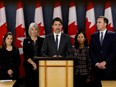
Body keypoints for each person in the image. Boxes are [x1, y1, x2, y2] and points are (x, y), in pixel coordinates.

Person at [89, 16, 116, 87]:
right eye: (97, 22)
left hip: (109, 68)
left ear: (105, 24)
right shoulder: (93, 36)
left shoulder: (113, 35)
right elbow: (91, 51)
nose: (97, 24)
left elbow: (114, 52)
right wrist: (97, 63)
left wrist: (105, 62)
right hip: (96, 69)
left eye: (99, 22)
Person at [23, 22, 44, 87]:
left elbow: (43, 53)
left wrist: (37, 64)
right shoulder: (26, 41)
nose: (34, 31)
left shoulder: (42, 40)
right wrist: (33, 63)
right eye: (32, 29)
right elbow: (26, 54)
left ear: (38, 30)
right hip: (29, 65)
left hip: (40, 65)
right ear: (30, 31)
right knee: (30, 83)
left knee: (39, 83)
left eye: (36, 29)